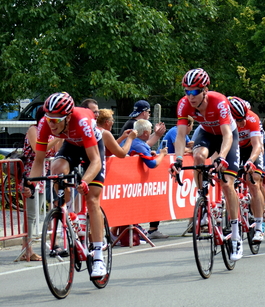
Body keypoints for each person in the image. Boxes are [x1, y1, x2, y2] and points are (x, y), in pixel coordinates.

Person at [24, 92, 108, 278]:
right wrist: (30, 185)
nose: (52, 124)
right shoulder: (45, 124)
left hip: (91, 148)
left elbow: (95, 161)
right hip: (71, 145)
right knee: (56, 166)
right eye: (49, 119)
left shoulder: (82, 121)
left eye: (57, 120)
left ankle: (99, 258)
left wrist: (85, 182)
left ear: (68, 117)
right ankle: (67, 211)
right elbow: (39, 161)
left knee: (93, 198)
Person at [170, 68, 243, 261]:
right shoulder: (184, 104)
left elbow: (227, 135)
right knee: (198, 157)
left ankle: (236, 234)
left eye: (194, 91)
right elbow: (180, 135)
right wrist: (177, 160)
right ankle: (203, 197)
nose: (190, 96)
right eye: (186, 91)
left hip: (227, 135)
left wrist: (222, 157)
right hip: (207, 133)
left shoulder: (219, 101)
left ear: (204, 90)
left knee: (227, 184)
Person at [18, 108, 63, 261]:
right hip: (32, 173)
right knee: (30, 214)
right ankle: (27, 249)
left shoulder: (51, 133)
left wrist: (60, 137)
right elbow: (39, 150)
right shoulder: (34, 129)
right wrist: (57, 139)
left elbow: (56, 151)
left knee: (37, 213)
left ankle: (29, 247)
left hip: (44, 175)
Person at [229, 96, 265, 242]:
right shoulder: (224, 122)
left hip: (252, 147)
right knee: (228, 182)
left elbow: (257, 145)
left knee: (254, 182)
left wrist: (251, 161)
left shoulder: (252, 118)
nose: (242, 122)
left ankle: (259, 226)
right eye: (237, 120)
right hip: (235, 148)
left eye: (243, 117)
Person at [127, 119, 169, 239]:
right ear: (145, 133)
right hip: (132, 181)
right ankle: (133, 228)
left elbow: (145, 155)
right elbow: (153, 164)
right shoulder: (139, 144)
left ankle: (130, 228)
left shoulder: (134, 142)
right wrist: (162, 154)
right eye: (150, 131)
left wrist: (150, 154)